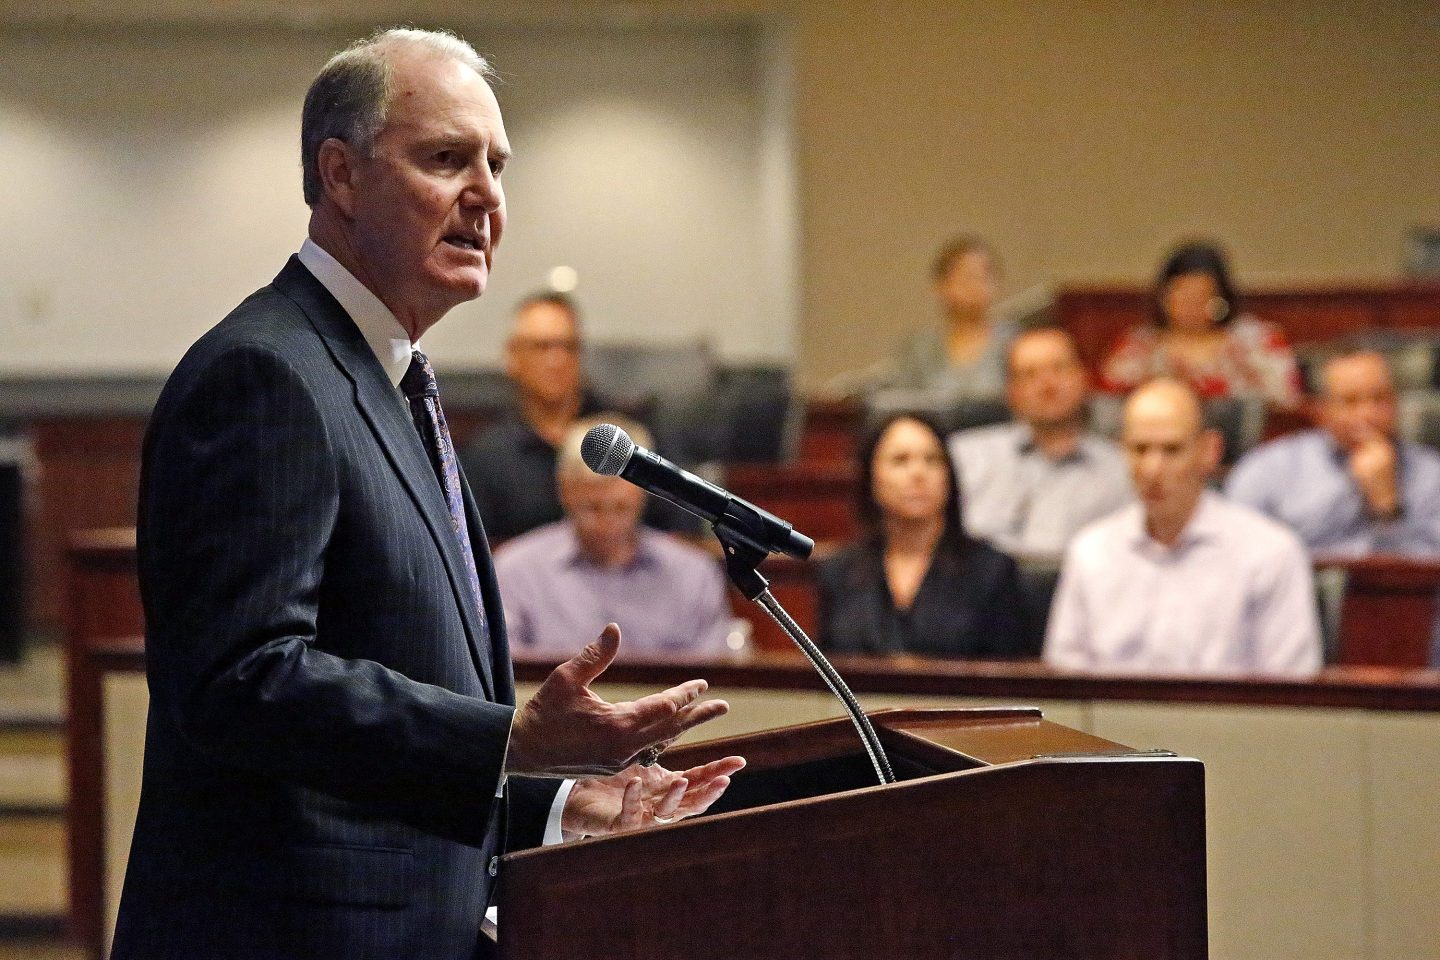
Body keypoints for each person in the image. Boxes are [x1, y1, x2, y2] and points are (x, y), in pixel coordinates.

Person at [112, 29, 743, 960]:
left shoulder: (393, 378)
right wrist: (506, 741)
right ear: (341, 174)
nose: (486, 195)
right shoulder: (267, 374)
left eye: (496, 164)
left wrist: (560, 801)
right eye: (447, 159)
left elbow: (394, 703)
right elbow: (241, 680)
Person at [1044, 379, 1321, 677]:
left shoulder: (1270, 553)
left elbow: (1290, 685)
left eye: (1172, 450)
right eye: (1139, 449)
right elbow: (1065, 680)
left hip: (1226, 708)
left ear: (1209, 451)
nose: (1152, 469)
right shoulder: (1090, 551)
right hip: (1108, 709)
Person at [496, 415, 733, 661]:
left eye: (621, 507)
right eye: (593, 508)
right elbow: (505, 670)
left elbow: (713, 672)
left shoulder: (693, 574)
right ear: (565, 491)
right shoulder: (517, 572)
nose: (607, 524)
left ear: (643, 494)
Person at [817, 412, 1031, 659]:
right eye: (900, 460)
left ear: (949, 477)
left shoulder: (991, 571)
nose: (918, 473)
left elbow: (1010, 672)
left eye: (932, 460)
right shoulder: (839, 572)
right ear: (871, 478)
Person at [1226, 347, 1440, 555]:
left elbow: (1429, 565)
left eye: (1379, 398)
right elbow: (1235, 551)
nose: (1367, 413)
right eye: (1350, 401)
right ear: (1321, 409)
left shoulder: (1430, 475)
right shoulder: (1268, 469)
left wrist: (1387, 507)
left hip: (1390, 579)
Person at [948, 327, 1131, 558]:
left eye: (1059, 369)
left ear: (1083, 378)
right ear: (1011, 392)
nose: (1047, 385)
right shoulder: (963, 458)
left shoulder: (1124, 469)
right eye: (1029, 374)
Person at [1098, 241, 1302, 408]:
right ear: (1163, 298)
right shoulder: (1138, 347)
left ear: (1222, 298)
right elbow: (1109, 403)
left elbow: (1286, 401)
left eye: (1201, 296)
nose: (1191, 305)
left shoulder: (1257, 341)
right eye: (1182, 294)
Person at [462, 291, 597, 541]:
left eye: (568, 346)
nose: (557, 360)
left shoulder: (617, 436)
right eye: (542, 347)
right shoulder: (488, 455)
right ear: (512, 356)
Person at [892, 234, 1016, 401]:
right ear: (942, 285)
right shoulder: (920, 348)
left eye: (984, 277)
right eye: (967, 277)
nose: (975, 286)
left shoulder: (1014, 342)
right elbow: (904, 402)